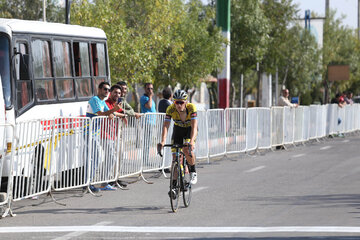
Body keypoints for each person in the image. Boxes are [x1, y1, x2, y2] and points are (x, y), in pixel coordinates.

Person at [158, 89, 198, 198]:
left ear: (186, 102)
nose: (179, 105)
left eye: (181, 102)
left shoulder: (191, 108)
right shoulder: (170, 109)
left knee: (186, 150)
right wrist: (162, 141)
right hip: (178, 131)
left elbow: (194, 127)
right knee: (175, 158)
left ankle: (193, 171)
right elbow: (166, 126)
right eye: (176, 102)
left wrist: (192, 141)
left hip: (189, 130)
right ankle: (174, 187)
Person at [86, 82, 121, 191]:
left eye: (108, 90)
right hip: (89, 132)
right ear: (99, 89)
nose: (107, 92)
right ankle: (88, 184)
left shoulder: (101, 101)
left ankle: (93, 183)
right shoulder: (95, 100)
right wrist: (113, 111)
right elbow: (101, 113)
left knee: (96, 158)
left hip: (95, 133)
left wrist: (118, 113)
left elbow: (109, 113)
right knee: (95, 158)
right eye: (105, 89)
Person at [105, 84, 128, 188]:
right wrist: (122, 115)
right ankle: (109, 179)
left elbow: (120, 112)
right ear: (111, 93)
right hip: (108, 134)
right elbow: (112, 113)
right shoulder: (107, 103)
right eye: (115, 92)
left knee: (121, 155)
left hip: (117, 133)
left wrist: (123, 113)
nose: (117, 95)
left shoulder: (118, 104)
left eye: (119, 93)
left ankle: (116, 178)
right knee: (111, 157)